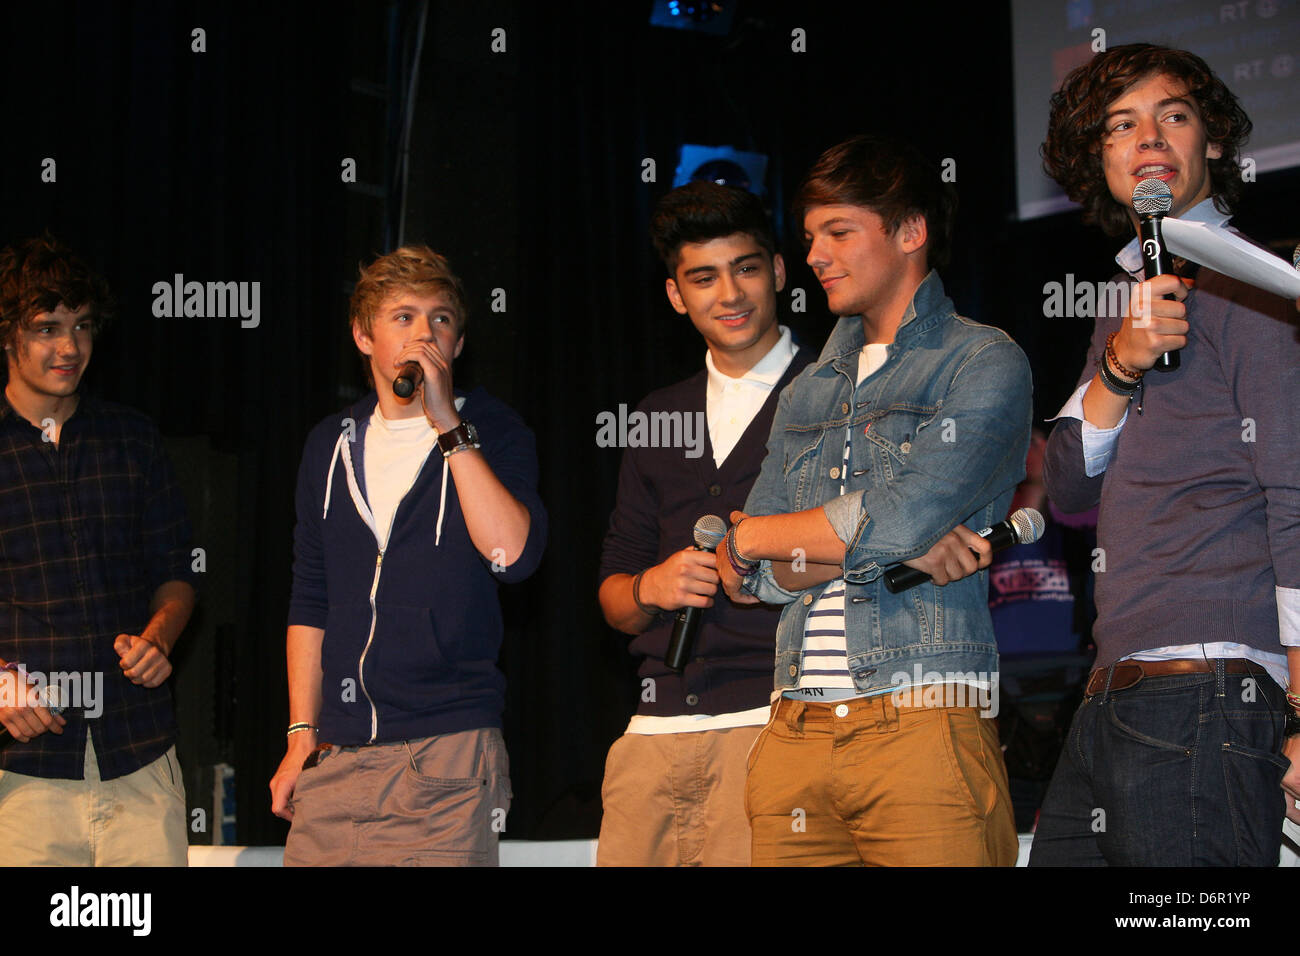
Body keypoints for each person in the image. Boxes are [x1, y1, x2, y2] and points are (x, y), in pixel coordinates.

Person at [717, 134, 1033, 866]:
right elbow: (753, 580)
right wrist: (879, 543)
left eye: (838, 232)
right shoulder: (806, 390)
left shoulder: (983, 360)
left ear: (910, 231)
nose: (815, 256)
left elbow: (897, 517)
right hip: (793, 729)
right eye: (809, 238)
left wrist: (761, 536)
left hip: (922, 718)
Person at [1032, 43, 1300, 866]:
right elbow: (1068, 488)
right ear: (1099, 160)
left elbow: (1295, 493)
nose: (1148, 137)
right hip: (1117, 686)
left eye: (1172, 115)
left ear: (1211, 142)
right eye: (1122, 125)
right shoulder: (1125, 303)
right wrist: (1121, 361)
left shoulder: (1254, 285)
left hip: (1212, 684)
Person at [270, 246, 546, 866]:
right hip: (336, 755)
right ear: (363, 336)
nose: (424, 334)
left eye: (440, 319)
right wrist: (300, 733)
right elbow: (310, 598)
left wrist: (448, 426)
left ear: (459, 341)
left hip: (445, 750)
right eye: (403, 317)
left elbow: (513, 556)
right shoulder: (330, 444)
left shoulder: (494, 430)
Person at [596, 181, 814, 865]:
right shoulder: (658, 415)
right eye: (703, 277)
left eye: (745, 268)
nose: (730, 294)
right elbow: (613, 597)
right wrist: (651, 587)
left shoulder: (834, 393)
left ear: (778, 271)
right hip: (655, 730)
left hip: (781, 719)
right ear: (675, 294)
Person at [0, 235, 198, 866]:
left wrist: (159, 639)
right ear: (8, 334)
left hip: (140, 755)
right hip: (23, 774)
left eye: (82, 326)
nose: (70, 347)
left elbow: (178, 573)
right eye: (48, 328)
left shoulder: (132, 437)